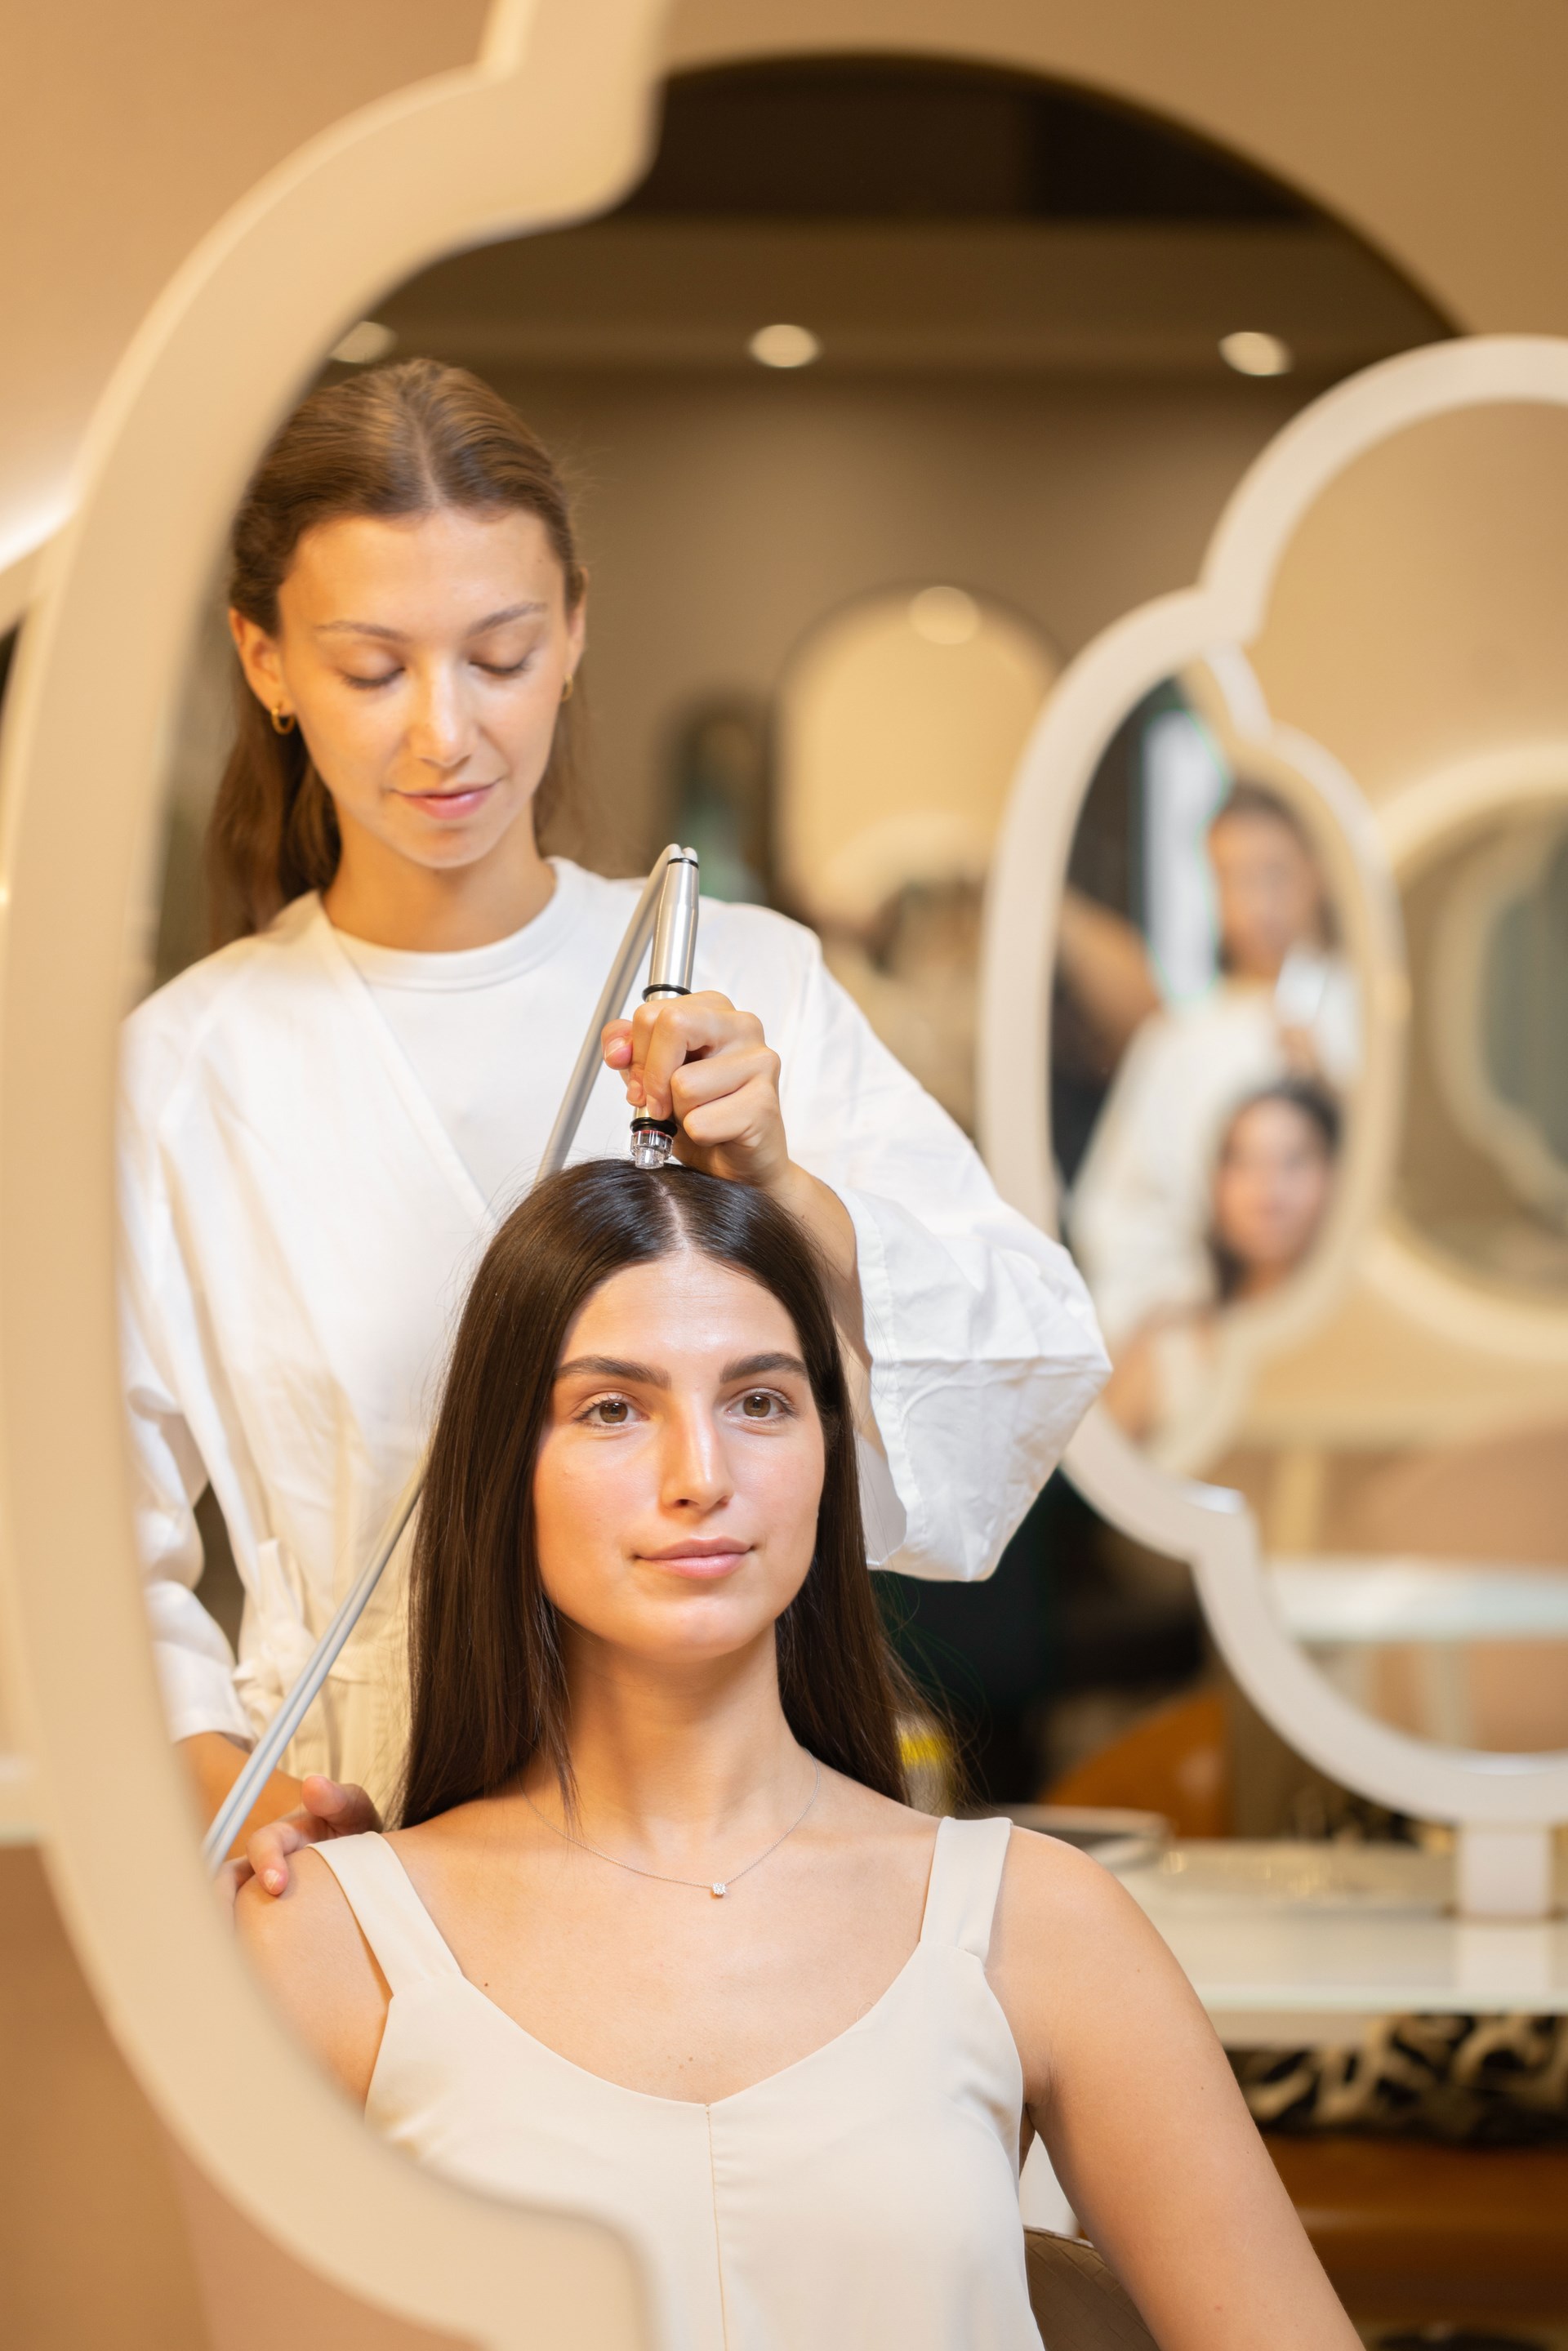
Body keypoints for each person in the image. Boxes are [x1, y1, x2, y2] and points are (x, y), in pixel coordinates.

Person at [119, 358, 1107, 1853]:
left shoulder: (749, 979)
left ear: (574, 630)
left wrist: (785, 1190)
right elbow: (69, 1527)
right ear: (265, 660)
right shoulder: (191, 1064)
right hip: (360, 1832)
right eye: (374, 670)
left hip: (718, 1823)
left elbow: (1025, 1360)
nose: (445, 732)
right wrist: (222, 1783)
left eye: (500, 656)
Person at [236, 1160, 1358, 2351]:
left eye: (760, 1400)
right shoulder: (328, 1941)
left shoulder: (1039, 1922)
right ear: (505, 1467)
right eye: (613, 1408)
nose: (701, 1476)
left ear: (829, 1450)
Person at [1069, 782, 1357, 1345]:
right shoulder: (1176, 1044)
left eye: (1273, 874)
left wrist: (1335, 1088)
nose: (1256, 905)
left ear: (1317, 872)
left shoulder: (1368, 1019)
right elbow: (1116, 1216)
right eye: (1232, 879)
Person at [1102, 1080, 1341, 1461]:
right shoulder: (1166, 1345)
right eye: (1244, 1162)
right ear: (1215, 1184)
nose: (1269, 1189)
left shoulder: (1352, 1347)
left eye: (1294, 1161)